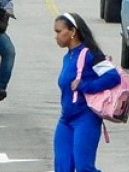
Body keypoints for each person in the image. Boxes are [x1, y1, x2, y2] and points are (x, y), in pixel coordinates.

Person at [53, 11, 121, 172]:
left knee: (84, 167)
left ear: (73, 32)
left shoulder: (90, 54)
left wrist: (85, 86)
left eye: (59, 31)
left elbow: (113, 76)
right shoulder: (68, 56)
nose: (56, 36)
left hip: (86, 118)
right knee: (62, 167)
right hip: (66, 119)